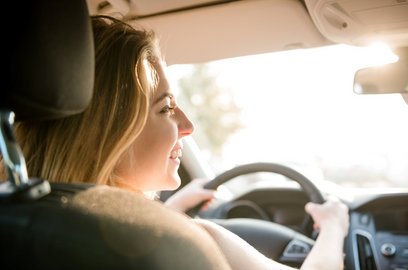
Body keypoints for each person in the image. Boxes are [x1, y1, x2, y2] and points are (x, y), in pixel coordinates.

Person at [13, 15, 349, 270]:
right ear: (104, 132)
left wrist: (170, 210)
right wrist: (333, 226)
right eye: (167, 108)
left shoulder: (19, 230)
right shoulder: (193, 243)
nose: (188, 126)